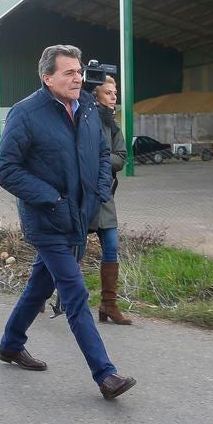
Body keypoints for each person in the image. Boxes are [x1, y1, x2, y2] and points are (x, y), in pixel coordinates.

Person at [0, 45, 137, 400]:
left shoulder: (88, 108)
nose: (78, 79)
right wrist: (53, 199)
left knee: (40, 286)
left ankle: (11, 343)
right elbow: (6, 169)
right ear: (47, 78)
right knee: (74, 293)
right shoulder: (26, 114)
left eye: (78, 71)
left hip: (80, 214)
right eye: (68, 73)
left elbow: (103, 154)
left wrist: (100, 190)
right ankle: (105, 374)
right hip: (48, 219)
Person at [90, 76, 131, 324]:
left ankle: (108, 304)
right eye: (108, 92)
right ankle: (41, 293)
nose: (114, 96)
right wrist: (104, 159)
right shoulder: (86, 119)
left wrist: (101, 160)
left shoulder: (114, 125)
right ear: (96, 96)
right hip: (83, 195)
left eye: (115, 92)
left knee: (112, 247)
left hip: (105, 196)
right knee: (68, 249)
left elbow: (122, 157)